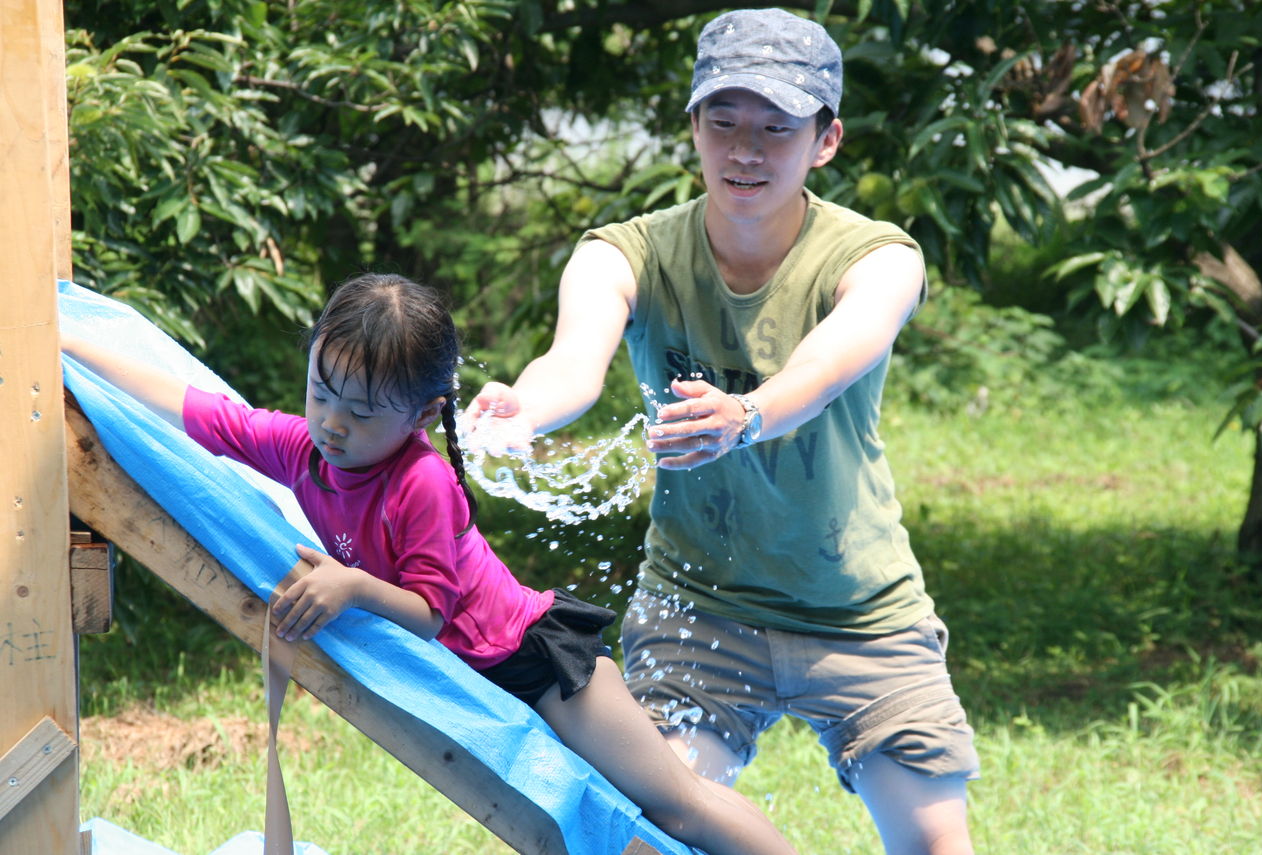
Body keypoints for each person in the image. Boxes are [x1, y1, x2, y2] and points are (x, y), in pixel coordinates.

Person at [464, 8, 979, 855]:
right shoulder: (624, 253)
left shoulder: (880, 258)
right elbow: (573, 361)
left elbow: (825, 368)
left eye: (777, 128)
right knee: (642, 831)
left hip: (860, 609)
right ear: (693, 127)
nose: (745, 150)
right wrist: (522, 409)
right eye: (724, 122)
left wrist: (745, 415)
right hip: (697, 607)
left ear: (826, 140)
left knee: (934, 844)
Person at [62, 272, 800, 855]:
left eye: (361, 410)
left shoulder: (421, 481)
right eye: (321, 392)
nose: (332, 423)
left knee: (675, 804)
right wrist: (65, 340)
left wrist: (349, 584)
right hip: (485, 667)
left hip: (539, 664)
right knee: (653, 807)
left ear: (421, 415)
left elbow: (430, 610)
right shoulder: (303, 447)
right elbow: (197, 410)